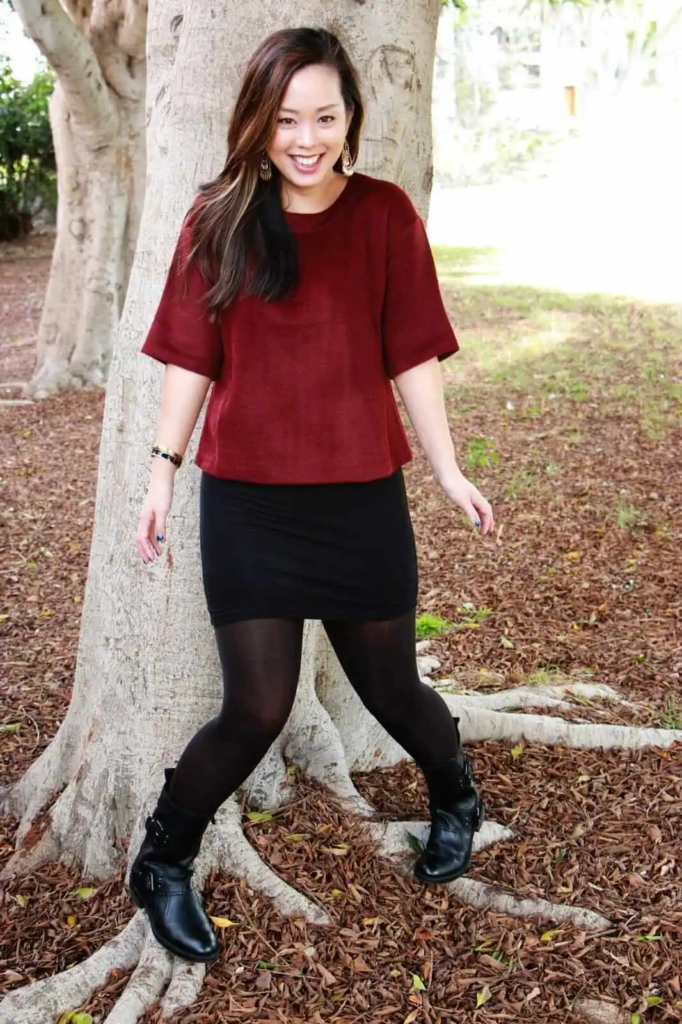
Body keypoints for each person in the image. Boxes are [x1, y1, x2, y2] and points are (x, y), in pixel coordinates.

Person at [131, 27, 494, 965]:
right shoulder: (219, 214)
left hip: (360, 500)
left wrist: (447, 469)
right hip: (250, 505)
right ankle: (162, 860)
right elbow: (191, 357)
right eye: (287, 118)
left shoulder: (381, 214)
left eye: (324, 117)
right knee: (256, 707)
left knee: (394, 692)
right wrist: (163, 469)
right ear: (258, 119)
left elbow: (411, 351)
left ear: (349, 121)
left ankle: (456, 795)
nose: (306, 137)